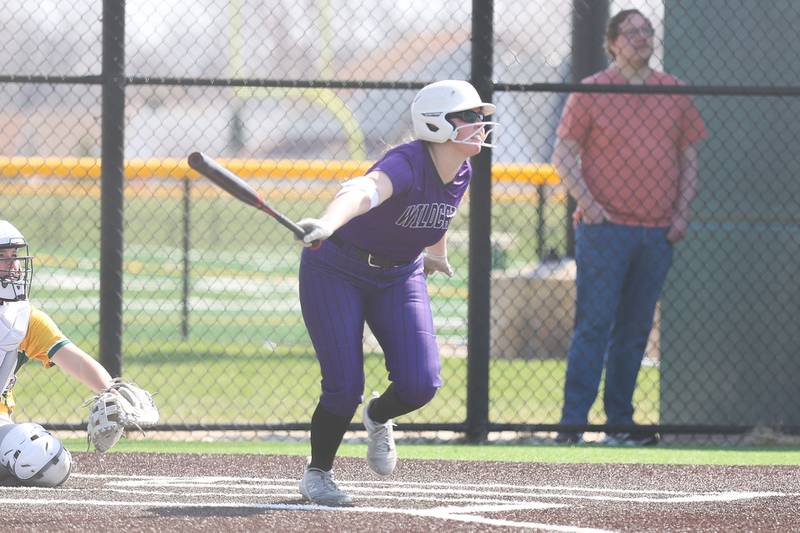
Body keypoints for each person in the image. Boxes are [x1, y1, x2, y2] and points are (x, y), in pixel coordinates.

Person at [294, 80, 497, 505]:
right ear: (438, 124)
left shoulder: (463, 168)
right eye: (471, 117)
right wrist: (329, 223)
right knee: (344, 385)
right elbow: (363, 191)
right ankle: (318, 474)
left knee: (421, 383)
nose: (481, 124)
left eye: (482, 117)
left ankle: (377, 416)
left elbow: (439, 213)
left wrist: (436, 254)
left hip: (400, 275)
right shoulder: (406, 162)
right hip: (336, 269)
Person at [552, 9, 707, 446]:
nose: (641, 38)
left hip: (658, 233)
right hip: (604, 231)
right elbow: (562, 155)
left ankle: (619, 423)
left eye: (647, 31)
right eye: (631, 32)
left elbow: (689, 159)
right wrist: (591, 207)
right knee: (594, 326)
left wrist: (682, 214)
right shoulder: (590, 92)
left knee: (635, 331)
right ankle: (571, 427)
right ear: (613, 42)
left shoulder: (674, 91)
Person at [0, 220, 118, 486]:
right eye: (2, 257)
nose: (14, 266)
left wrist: (111, 392)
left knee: (45, 458)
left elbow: (74, 360)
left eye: (14, 256)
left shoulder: (23, 319)